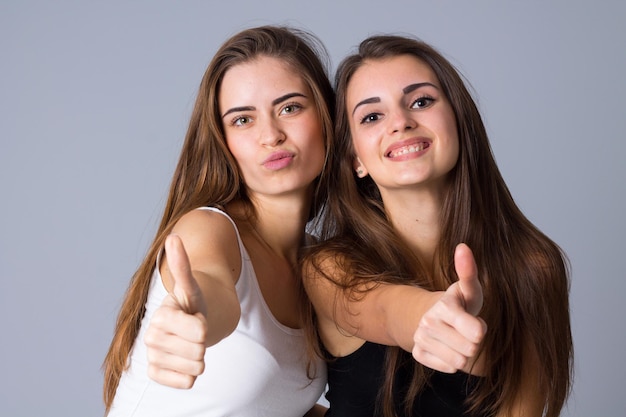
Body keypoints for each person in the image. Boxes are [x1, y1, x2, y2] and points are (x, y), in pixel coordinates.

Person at [301, 35, 573, 417]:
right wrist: (430, 313)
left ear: (458, 121)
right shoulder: (327, 268)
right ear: (355, 160)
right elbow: (385, 311)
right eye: (372, 116)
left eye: (421, 101)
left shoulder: (533, 268)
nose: (401, 123)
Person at [102, 25, 335, 417]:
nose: (271, 135)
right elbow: (210, 285)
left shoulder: (318, 265)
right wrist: (197, 317)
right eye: (243, 120)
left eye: (290, 108)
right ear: (223, 143)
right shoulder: (209, 229)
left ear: (326, 115)